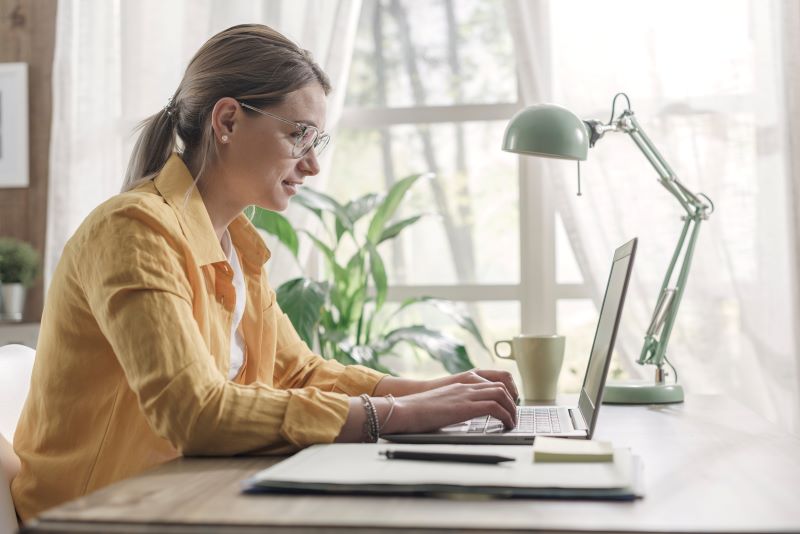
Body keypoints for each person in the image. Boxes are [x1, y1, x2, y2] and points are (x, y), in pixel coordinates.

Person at [11, 24, 518, 521]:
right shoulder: (132, 230)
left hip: (188, 496)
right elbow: (193, 412)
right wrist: (392, 416)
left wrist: (432, 392)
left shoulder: (237, 248)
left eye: (319, 140)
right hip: (93, 513)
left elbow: (298, 372)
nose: (313, 164)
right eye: (299, 135)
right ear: (227, 121)